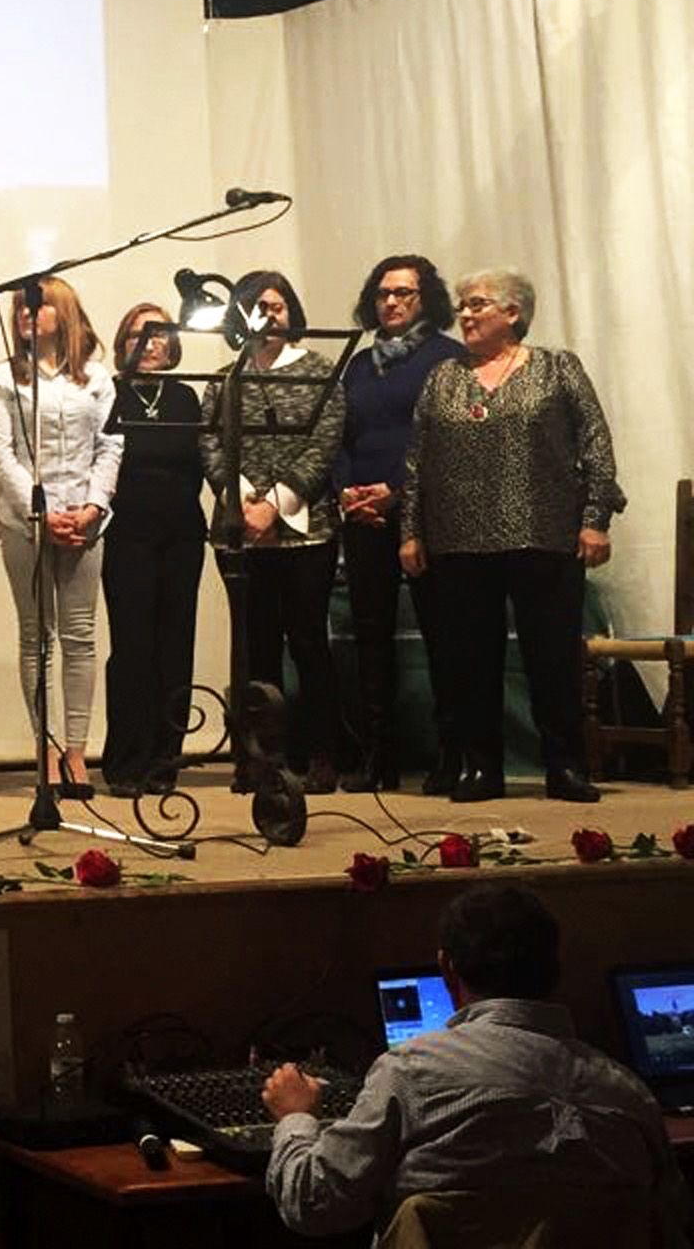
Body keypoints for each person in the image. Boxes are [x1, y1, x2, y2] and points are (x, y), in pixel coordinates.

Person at [262, 884, 686, 1245]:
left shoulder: (410, 1072)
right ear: (555, 969)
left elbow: (312, 1203)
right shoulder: (629, 1095)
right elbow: (673, 1219)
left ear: (447, 968)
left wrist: (296, 1117)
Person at [399, 267, 621, 805]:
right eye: (462, 305)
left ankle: (565, 766)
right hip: (458, 541)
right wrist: (410, 531)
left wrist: (595, 518)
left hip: (545, 535)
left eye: (477, 304)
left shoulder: (557, 368)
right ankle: (481, 768)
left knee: (552, 659)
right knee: (469, 663)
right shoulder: (442, 377)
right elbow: (416, 462)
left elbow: (596, 445)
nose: (465, 314)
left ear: (513, 312)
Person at [200, 269, 348, 794]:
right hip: (239, 531)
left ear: (291, 311)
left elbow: (324, 444)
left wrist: (276, 506)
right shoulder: (225, 378)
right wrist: (243, 505)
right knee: (254, 647)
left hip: (306, 531)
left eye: (277, 305)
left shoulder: (321, 371)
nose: (269, 314)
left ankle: (321, 754)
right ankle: (261, 758)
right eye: (257, 306)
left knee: (308, 642)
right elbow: (209, 444)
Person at [0, 276, 121, 799]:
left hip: (86, 519)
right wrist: (41, 512)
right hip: (27, 523)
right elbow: (0, 454)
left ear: (63, 313)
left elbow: (110, 445)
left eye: (36, 306)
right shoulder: (4, 378)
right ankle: (47, 747)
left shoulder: (96, 377)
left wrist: (92, 506)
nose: (25, 313)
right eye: (20, 306)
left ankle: (77, 751)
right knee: (36, 635)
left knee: (80, 636)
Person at [336, 255, 462, 794]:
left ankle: (451, 753)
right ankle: (377, 756)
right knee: (371, 636)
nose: (391, 302)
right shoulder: (358, 365)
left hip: (425, 515)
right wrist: (346, 491)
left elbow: (450, 444)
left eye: (403, 293)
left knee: (443, 634)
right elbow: (339, 435)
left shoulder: (449, 359)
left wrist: (397, 494)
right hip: (363, 516)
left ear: (425, 298)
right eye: (383, 293)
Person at [99, 303, 207, 797]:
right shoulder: (108, 393)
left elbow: (202, 463)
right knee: (132, 647)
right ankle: (127, 761)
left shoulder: (186, 396)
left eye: (159, 334)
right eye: (137, 335)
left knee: (175, 645)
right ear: (122, 344)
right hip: (127, 533)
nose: (149, 343)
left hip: (182, 533)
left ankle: (166, 760)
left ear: (173, 344)